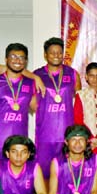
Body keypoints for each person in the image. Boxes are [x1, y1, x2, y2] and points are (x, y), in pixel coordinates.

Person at [33, 37, 80, 184]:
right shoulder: (37, 75)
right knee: (44, 174)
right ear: (45, 55)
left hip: (67, 134)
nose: (56, 56)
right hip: (45, 134)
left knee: (67, 175)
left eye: (60, 53)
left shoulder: (72, 74)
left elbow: (79, 102)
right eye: (52, 53)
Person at [0, 43, 37, 160]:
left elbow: (37, 108)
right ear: (6, 59)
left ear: (26, 61)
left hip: (19, 141)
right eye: (13, 57)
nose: (17, 60)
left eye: (21, 58)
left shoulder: (31, 83)